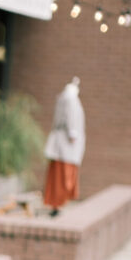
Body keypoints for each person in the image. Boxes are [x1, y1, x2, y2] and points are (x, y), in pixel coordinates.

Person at [43, 77, 86, 215]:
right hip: (66, 148)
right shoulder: (70, 99)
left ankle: (57, 204)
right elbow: (71, 119)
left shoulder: (63, 98)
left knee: (59, 177)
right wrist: (72, 133)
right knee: (62, 178)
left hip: (62, 148)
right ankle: (58, 204)